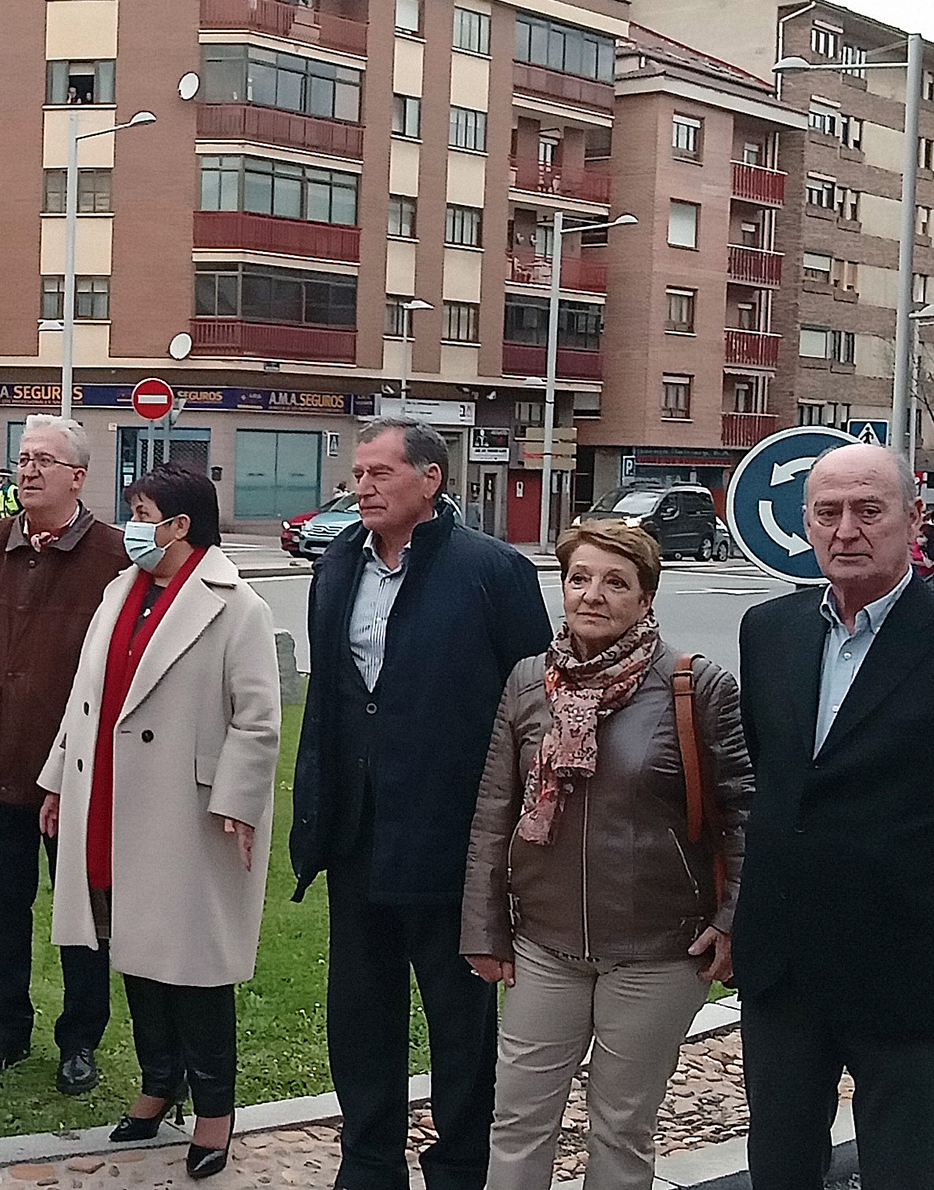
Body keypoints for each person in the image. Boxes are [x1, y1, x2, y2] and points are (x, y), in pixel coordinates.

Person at [288, 419, 551, 1189]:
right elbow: (334, 698)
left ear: (430, 480)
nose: (360, 486)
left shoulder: (490, 570)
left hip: (452, 836)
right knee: (361, 1013)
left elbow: (531, 700)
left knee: (459, 1020)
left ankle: (461, 1164)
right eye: (356, 472)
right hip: (357, 830)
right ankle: (368, 1162)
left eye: (379, 472)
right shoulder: (338, 564)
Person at [461, 520, 752, 1189]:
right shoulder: (531, 681)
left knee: (621, 1127)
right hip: (544, 946)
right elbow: (493, 812)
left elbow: (742, 816)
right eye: (579, 578)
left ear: (646, 597)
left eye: (615, 582)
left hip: (658, 954)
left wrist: (733, 918)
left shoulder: (696, 687)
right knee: (518, 1120)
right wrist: (484, 926)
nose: (593, 595)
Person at [39, 464, 279, 1179]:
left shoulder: (237, 605)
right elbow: (87, 700)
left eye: (142, 510)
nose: (131, 522)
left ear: (179, 525)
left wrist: (237, 800)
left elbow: (259, 720)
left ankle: (214, 1109)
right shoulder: (122, 591)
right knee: (134, 953)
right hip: (111, 799)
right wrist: (56, 781)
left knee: (194, 968)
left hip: (187, 811)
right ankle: (156, 1082)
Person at [733, 443, 934, 1189]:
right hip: (784, 966)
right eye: (828, 512)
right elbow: (778, 783)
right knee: (780, 1167)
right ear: (806, 524)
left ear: (912, 518)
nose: (846, 530)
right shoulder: (770, 630)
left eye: (868, 510)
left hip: (908, 965)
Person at [0, 415, 129, 1089]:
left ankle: (81, 1040)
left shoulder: (113, 557)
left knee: (82, 916)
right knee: (1, 911)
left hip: (76, 778)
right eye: (22, 458)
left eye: (45, 459)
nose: (29, 470)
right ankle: (5, 1031)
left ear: (79, 476)